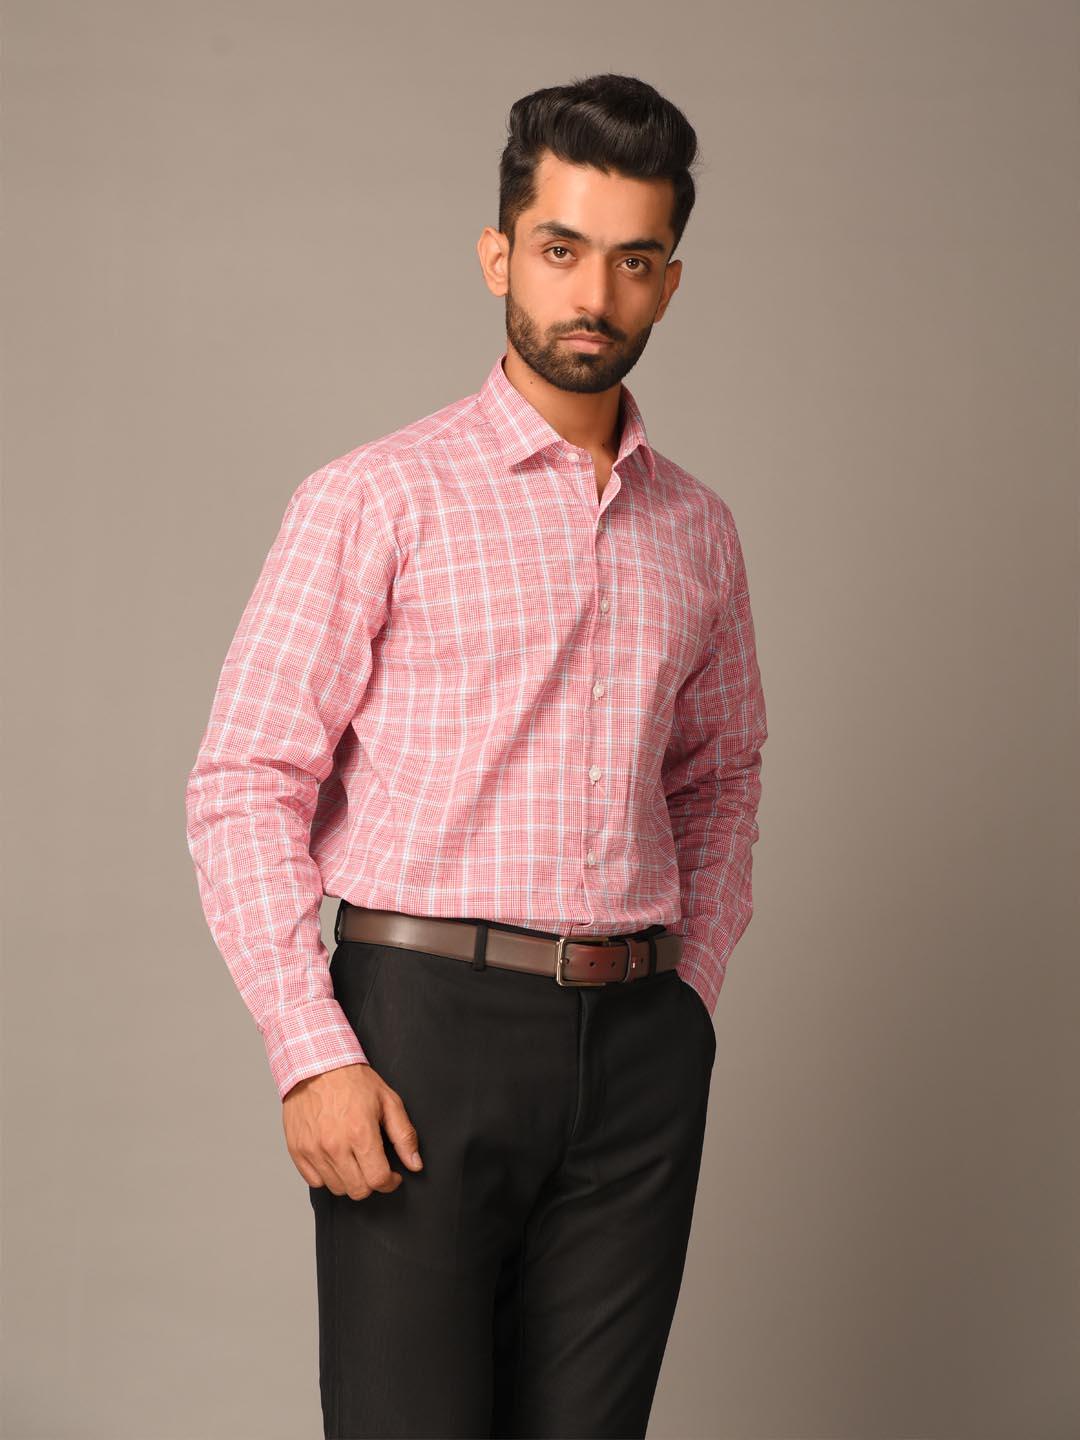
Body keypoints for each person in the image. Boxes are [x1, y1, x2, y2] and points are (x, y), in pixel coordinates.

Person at [184, 70, 768, 1440]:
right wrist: (309, 1051)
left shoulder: (700, 530)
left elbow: (722, 775)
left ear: (670, 284)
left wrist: (690, 996)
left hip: (640, 1047)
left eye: (633, 261)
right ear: (500, 254)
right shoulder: (375, 497)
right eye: (562, 249)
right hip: (419, 1036)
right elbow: (245, 781)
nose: (594, 294)